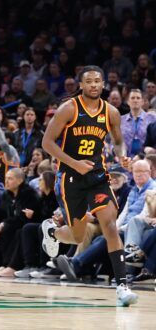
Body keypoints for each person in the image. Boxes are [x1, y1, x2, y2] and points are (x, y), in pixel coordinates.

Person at [41, 65, 137, 306]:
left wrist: (122, 156)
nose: (94, 85)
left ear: (103, 84)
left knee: (110, 226)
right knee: (77, 235)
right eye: (89, 81)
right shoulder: (69, 109)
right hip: (70, 178)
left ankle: (122, 285)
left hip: (97, 177)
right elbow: (47, 143)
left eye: (98, 81)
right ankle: (52, 231)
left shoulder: (111, 112)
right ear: (81, 85)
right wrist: (74, 163)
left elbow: (118, 142)